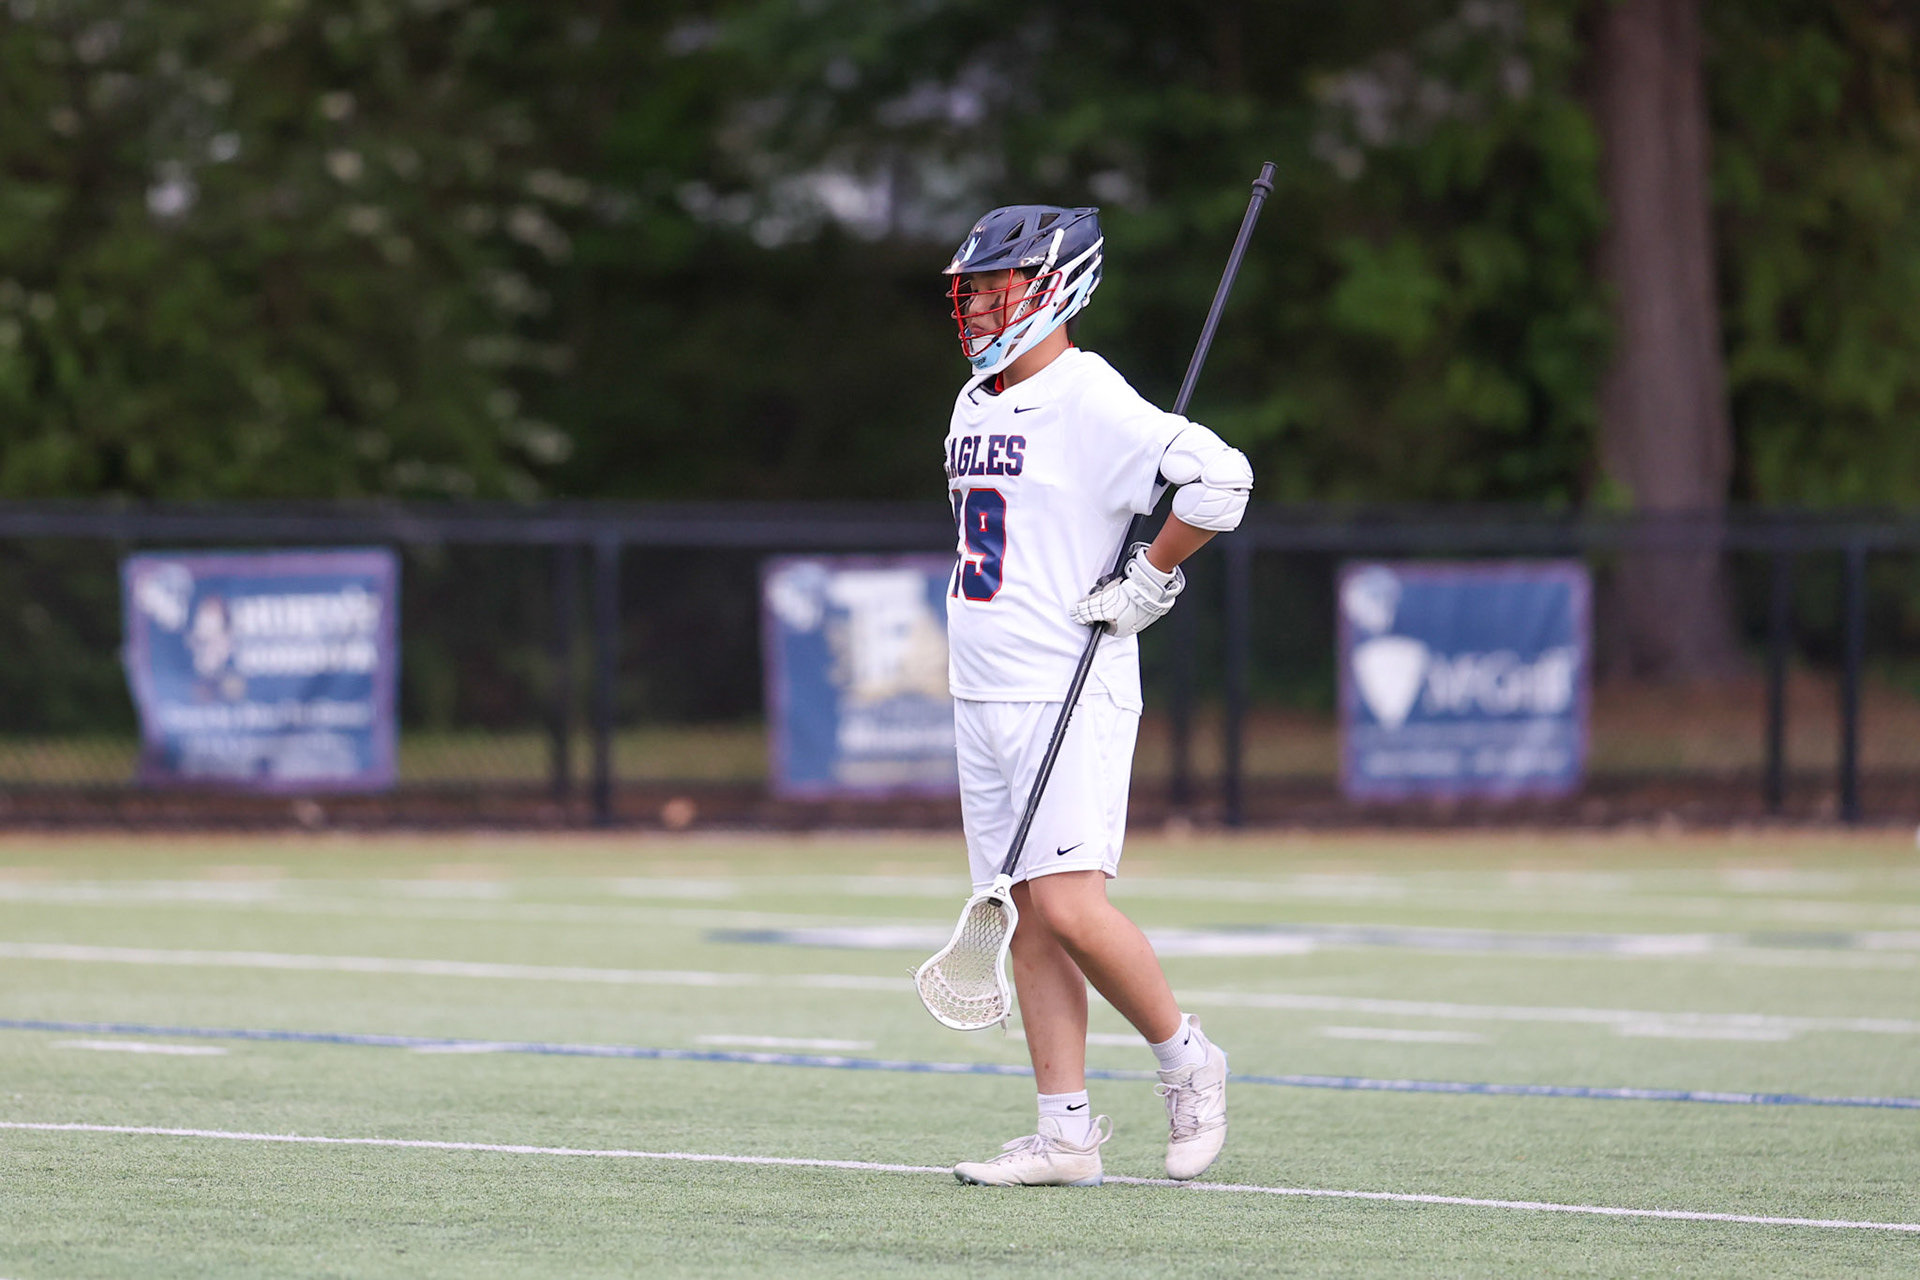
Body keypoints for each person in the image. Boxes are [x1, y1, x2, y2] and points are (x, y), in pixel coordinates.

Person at [939, 204, 1254, 1187]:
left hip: (1065, 688)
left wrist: (1152, 575)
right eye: (972, 290)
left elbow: (1222, 481)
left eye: (997, 287)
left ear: (1055, 287)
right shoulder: (973, 401)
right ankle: (1065, 1133)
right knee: (1026, 915)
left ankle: (1188, 1058)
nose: (979, 305)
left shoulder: (1087, 394)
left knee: (1071, 906)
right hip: (983, 691)